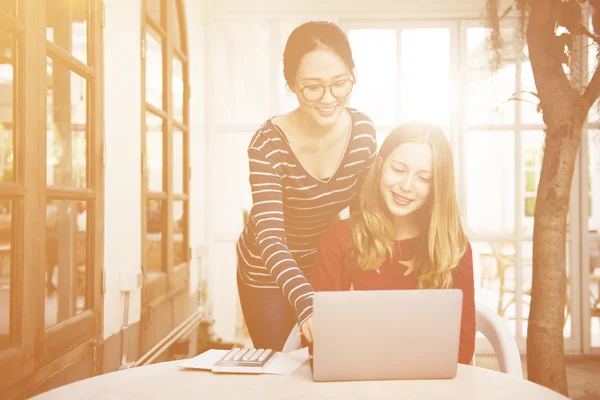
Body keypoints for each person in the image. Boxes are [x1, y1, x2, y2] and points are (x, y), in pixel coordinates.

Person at [236, 21, 378, 351]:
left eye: (340, 84)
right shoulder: (267, 145)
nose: (328, 99)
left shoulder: (362, 134)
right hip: (266, 273)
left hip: (322, 265)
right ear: (291, 84)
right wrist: (306, 300)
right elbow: (271, 237)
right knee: (279, 369)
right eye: (312, 87)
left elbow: (362, 216)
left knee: (327, 364)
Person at [307, 121, 476, 364]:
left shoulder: (453, 248)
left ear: (437, 186)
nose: (406, 186)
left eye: (423, 178)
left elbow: (462, 348)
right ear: (379, 168)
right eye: (398, 169)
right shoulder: (339, 239)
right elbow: (316, 342)